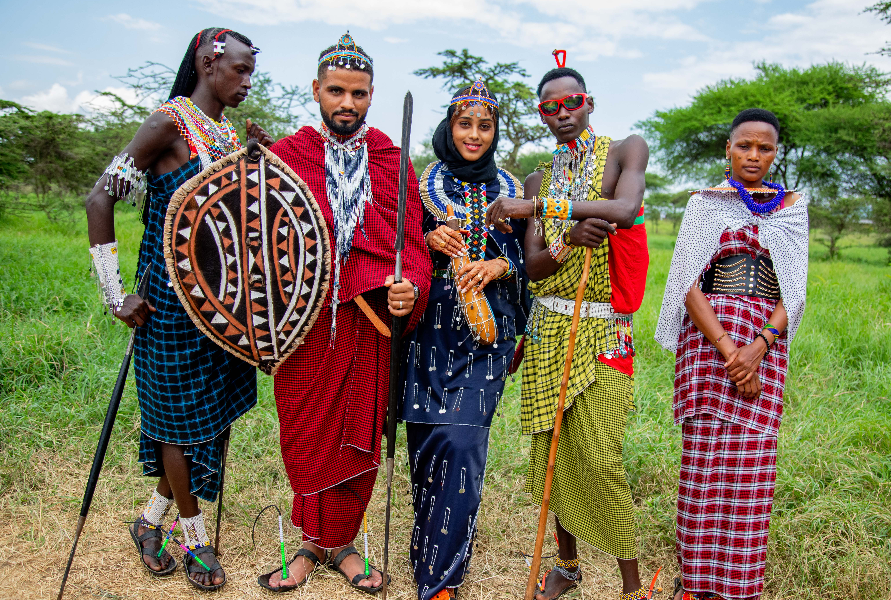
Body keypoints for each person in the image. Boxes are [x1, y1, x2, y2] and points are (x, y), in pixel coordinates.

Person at [85, 27, 274, 591]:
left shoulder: (218, 132)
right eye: (239, 70)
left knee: (205, 418)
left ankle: (148, 522)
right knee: (176, 423)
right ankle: (193, 539)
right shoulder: (168, 121)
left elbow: (223, 211)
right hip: (166, 302)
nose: (246, 81)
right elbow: (100, 197)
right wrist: (115, 294)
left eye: (250, 73)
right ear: (207, 61)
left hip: (219, 304)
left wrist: (252, 159)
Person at [256, 32, 432, 594]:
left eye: (357, 93)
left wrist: (409, 290)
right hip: (304, 324)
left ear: (372, 95)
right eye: (336, 91)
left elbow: (413, 247)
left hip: (368, 323)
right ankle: (310, 541)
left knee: (359, 434)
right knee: (305, 432)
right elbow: (260, 244)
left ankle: (345, 542)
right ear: (316, 91)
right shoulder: (287, 157)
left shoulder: (390, 159)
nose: (346, 104)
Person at [485, 63, 652, 600]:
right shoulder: (539, 176)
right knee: (553, 455)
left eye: (571, 102)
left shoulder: (627, 149)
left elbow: (624, 210)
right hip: (550, 328)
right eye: (549, 108)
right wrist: (567, 240)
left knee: (600, 457)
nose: (562, 114)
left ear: (589, 102)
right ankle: (568, 565)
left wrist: (540, 208)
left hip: (603, 330)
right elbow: (533, 267)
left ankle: (631, 584)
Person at [655, 108, 808, 600]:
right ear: (728, 148)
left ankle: (740, 587)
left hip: (765, 349)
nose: (754, 156)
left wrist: (758, 348)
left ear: (775, 153)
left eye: (765, 148)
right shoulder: (704, 204)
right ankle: (696, 585)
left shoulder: (792, 208)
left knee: (751, 472)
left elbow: (796, 292)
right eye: (745, 146)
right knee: (703, 468)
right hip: (708, 345)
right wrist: (729, 350)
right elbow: (686, 284)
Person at [401, 81, 530, 600]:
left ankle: (443, 581)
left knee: (462, 445)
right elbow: (396, 247)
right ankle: (427, 553)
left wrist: (500, 263)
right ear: (449, 127)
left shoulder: (512, 188)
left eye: (485, 125)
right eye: (465, 124)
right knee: (428, 443)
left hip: (486, 336)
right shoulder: (420, 184)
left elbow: (532, 259)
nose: (474, 134)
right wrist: (426, 239)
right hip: (428, 332)